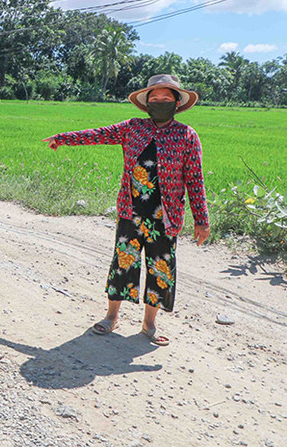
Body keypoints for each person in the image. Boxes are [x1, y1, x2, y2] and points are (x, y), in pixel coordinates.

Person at [42, 74, 210, 346]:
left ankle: (149, 324)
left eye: (166, 99)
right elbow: (97, 134)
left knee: (160, 269)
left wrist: (201, 220)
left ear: (177, 103)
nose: (160, 103)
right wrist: (63, 138)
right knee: (123, 264)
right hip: (131, 212)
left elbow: (194, 179)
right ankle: (111, 316)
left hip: (165, 218)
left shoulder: (186, 135)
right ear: (146, 103)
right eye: (154, 99)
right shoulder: (133, 128)